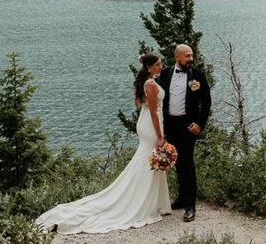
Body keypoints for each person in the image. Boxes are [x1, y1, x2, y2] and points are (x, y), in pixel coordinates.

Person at [35, 52, 172, 233]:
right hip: (151, 125)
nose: (161, 67)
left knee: (146, 160)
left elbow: (139, 104)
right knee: (149, 161)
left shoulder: (144, 83)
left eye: (160, 64)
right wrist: (160, 136)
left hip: (143, 123)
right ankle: (142, 202)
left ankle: (157, 202)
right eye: (158, 65)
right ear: (149, 67)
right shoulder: (152, 84)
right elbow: (154, 111)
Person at [159, 43, 211, 222]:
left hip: (189, 126)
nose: (191, 59)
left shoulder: (198, 75)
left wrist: (199, 124)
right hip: (171, 125)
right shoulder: (165, 73)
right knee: (177, 162)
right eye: (187, 56)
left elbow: (207, 102)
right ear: (177, 57)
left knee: (187, 163)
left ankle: (191, 205)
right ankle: (181, 199)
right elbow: (161, 100)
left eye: (191, 55)